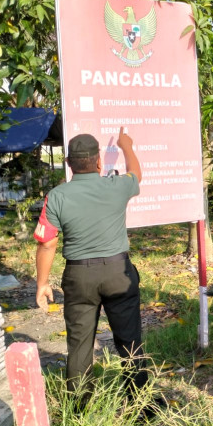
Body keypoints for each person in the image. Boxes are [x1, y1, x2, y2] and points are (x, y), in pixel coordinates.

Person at [34, 128, 149, 406]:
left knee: (80, 345)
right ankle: (141, 406)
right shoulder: (116, 185)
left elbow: (47, 243)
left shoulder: (57, 196)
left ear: (69, 163)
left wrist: (42, 283)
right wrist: (126, 146)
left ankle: (79, 408)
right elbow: (136, 174)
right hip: (117, 273)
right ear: (98, 161)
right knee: (130, 341)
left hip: (79, 276)